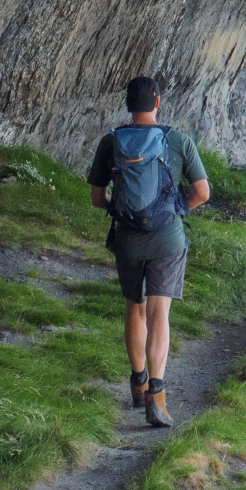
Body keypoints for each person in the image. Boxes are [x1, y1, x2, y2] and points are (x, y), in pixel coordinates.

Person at [86, 76, 211, 428]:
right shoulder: (178, 141)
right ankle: (157, 395)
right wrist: (176, 210)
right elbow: (202, 192)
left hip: (127, 238)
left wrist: (121, 210)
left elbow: (97, 198)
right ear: (157, 103)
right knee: (160, 314)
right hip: (167, 239)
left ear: (128, 105)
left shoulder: (111, 142)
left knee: (135, 310)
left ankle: (137, 383)